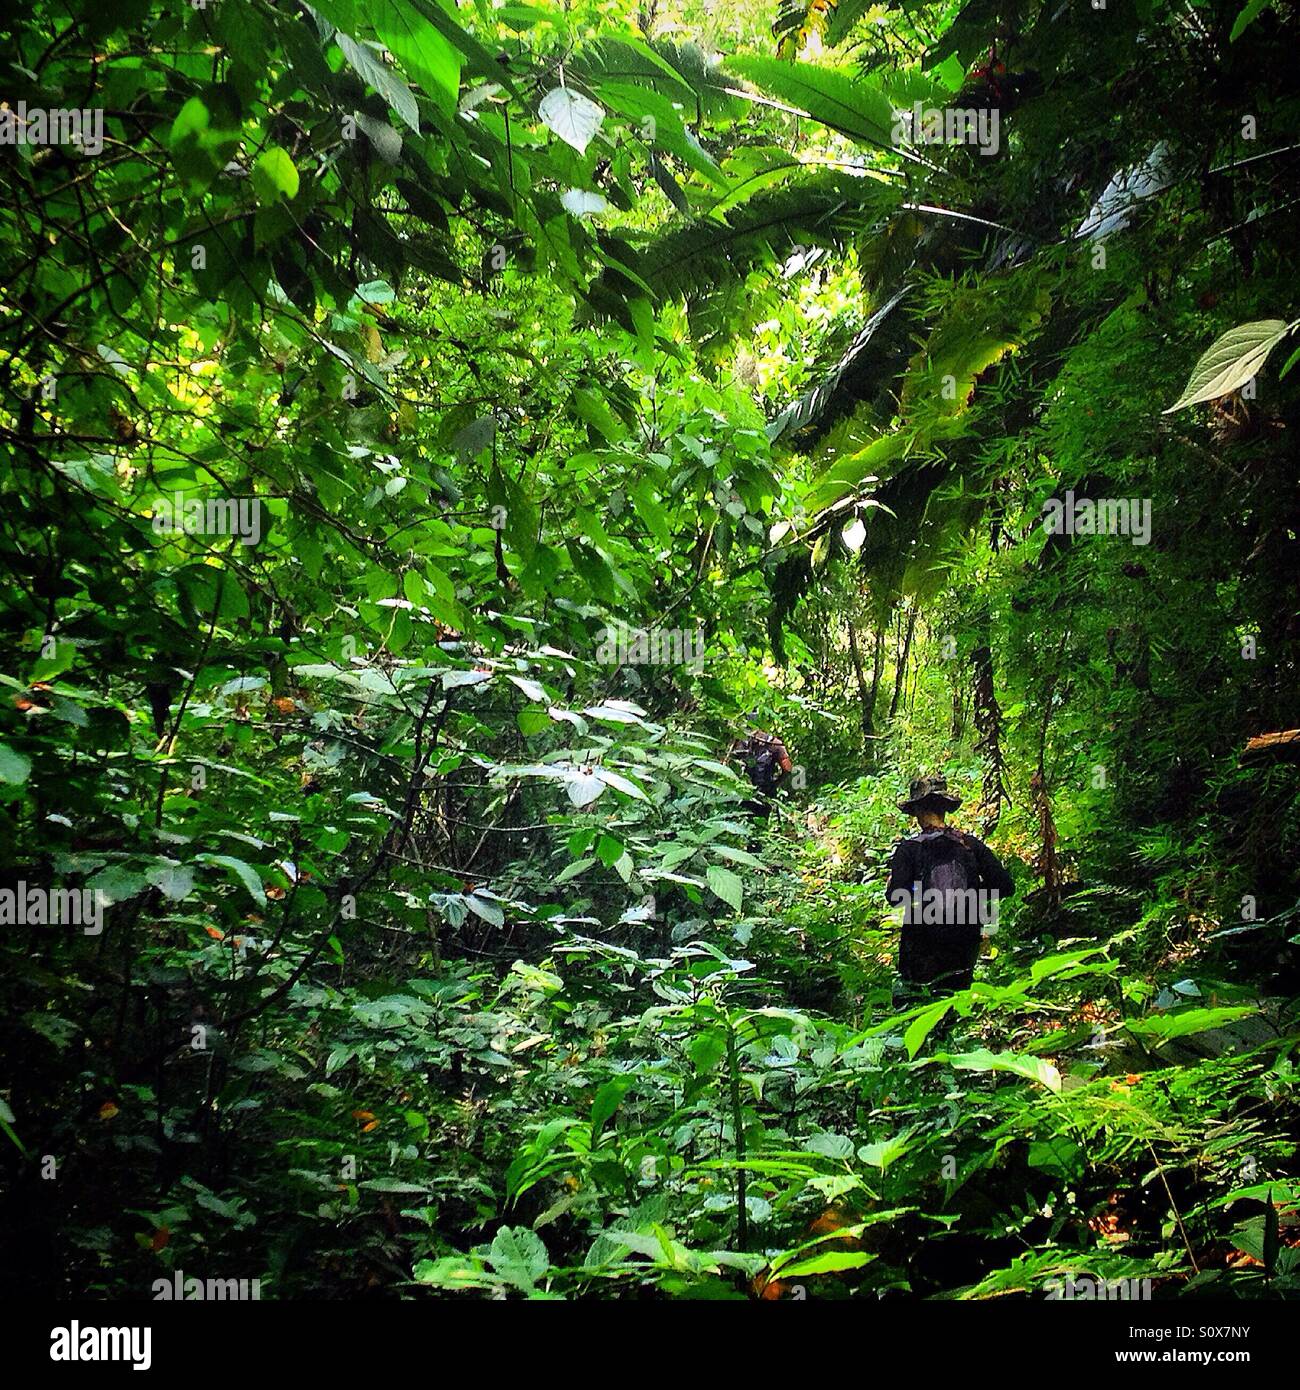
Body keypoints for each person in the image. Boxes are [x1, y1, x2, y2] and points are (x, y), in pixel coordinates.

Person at [885, 774, 1014, 1011]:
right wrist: (971, 895)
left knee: (920, 1008)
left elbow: (896, 897)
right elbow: (1005, 885)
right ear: (945, 808)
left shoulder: (909, 850)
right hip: (963, 940)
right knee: (955, 1005)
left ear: (918, 812)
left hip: (922, 941)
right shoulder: (970, 845)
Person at [733, 727, 793, 819]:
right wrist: (775, 785)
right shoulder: (774, 743)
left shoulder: (737, 741)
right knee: (760, 824)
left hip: (742, 792)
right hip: (762, 791)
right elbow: (787, 769)